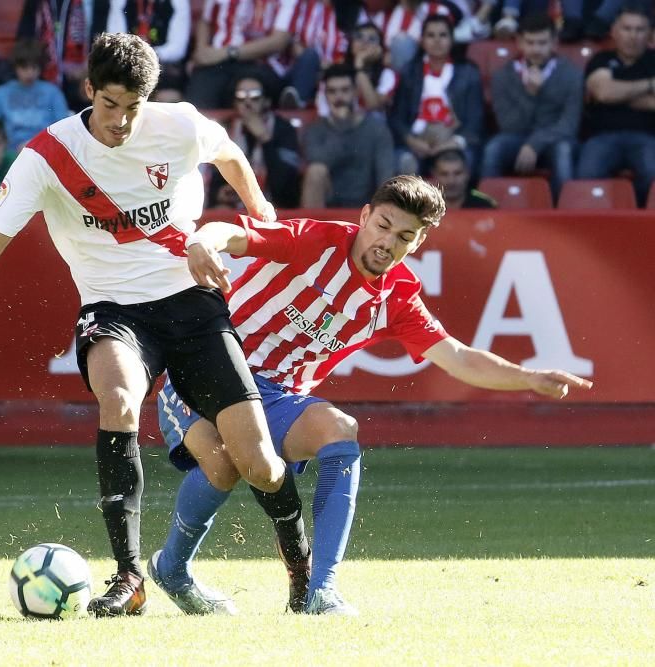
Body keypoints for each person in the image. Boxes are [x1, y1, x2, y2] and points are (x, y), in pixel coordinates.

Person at [0, 32, 290, 618]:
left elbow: (229, 155)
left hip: (189, 300)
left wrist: (259, 212)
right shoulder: (45, 156)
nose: (121, 121)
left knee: (258, 462)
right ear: (89, 90)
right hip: (111, 308)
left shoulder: (179, 124)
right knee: (119, 397)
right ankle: (129, 576)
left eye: (134, 107)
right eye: (110, 105)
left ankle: (309, 582)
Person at [148, 175, 593, 617]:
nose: (387, 242)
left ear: (416, 244)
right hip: (208, 369)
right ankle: (173, 568)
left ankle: (321, 592)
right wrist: (203, 241)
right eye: (383, 225)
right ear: (364, 216)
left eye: (404, 236)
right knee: (223, 465)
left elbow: (458, 357)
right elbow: (236, 233)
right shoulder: (316, 240)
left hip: (277, 397)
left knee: (340, 429)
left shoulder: (397, 297)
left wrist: (527, 377)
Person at [481, 13, 581, 200]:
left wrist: (534, 144)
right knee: (494, 148)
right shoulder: (503, 76)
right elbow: (508, 125)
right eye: (530, 42)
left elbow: (569, 125)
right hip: (516, 136)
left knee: (564, 151)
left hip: (555, 139)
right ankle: (488, 210)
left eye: (542, 43)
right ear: (519, 42)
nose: (536, 49)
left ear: (554, 43)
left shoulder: (571, 74)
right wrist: (531, 94)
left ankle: (564, 214)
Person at [577, 3, 654, 207]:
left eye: (639, 29)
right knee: (586, 174)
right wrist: (650, 84)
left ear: (649, 33)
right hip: (602, 137)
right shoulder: (600, 60)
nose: (633, 35)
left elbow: (609, 93)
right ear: (614, 31)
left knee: (652, 173)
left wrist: (618, 95)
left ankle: (642, 225)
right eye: (627, 28)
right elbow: (603, 92)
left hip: (647, 137)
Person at [389, 14, 484, 175]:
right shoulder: (409, 72)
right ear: (422, 40)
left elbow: (475, 119)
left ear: (452, 39)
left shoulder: (469, 72)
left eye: (443, 35)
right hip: (417, 142)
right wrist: (412, 141)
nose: (437, 40)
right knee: (400, 158)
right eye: (431, 35)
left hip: (453, 141)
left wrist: (451, 143)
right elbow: (397, 118)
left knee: (467, 158)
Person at [301, 63, 396, 208]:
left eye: (345, 90)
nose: (339, 97)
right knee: (315, 172)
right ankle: (312, 229)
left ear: (355, 92)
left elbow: (385, 175)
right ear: (325, 95)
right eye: (332, 92)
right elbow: (318, 163)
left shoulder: (376, 128)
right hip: (328, 205)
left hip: (367, 205)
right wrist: (340, 124)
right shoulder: (315, 130)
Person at [208, 72, 301, 210]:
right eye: (241, 97)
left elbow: (286, 189)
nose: (247, 103)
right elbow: (215, 182)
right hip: (235, 206)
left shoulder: (283, 129)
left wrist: (265, 139)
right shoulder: (225, 129)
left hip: (275, 203)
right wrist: (221, 193)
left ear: (266, 101)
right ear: (234, 102)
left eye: (255, 97)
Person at [185, 0, 298, 109]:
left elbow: (279, 41)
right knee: (197, 104)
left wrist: (228, 53)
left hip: (262, 64)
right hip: (217, 62)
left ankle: (255, 128)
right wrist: (201, 51)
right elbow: (206, 19)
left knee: (249, 93)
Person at [0, 39, 71, 152]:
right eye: (24, 68)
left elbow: (63, 127)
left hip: (46, 151)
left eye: (34, 67)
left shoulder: (53, 92)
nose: (30, 73)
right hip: (10, 153)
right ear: (16, 67)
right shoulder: (1, 93)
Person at [431, 148, 496, 208]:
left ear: (467, 174)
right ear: (434, 175)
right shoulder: (424, 207)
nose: (451, 181)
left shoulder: (485, 206)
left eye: (458, 173)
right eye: (444, 174)